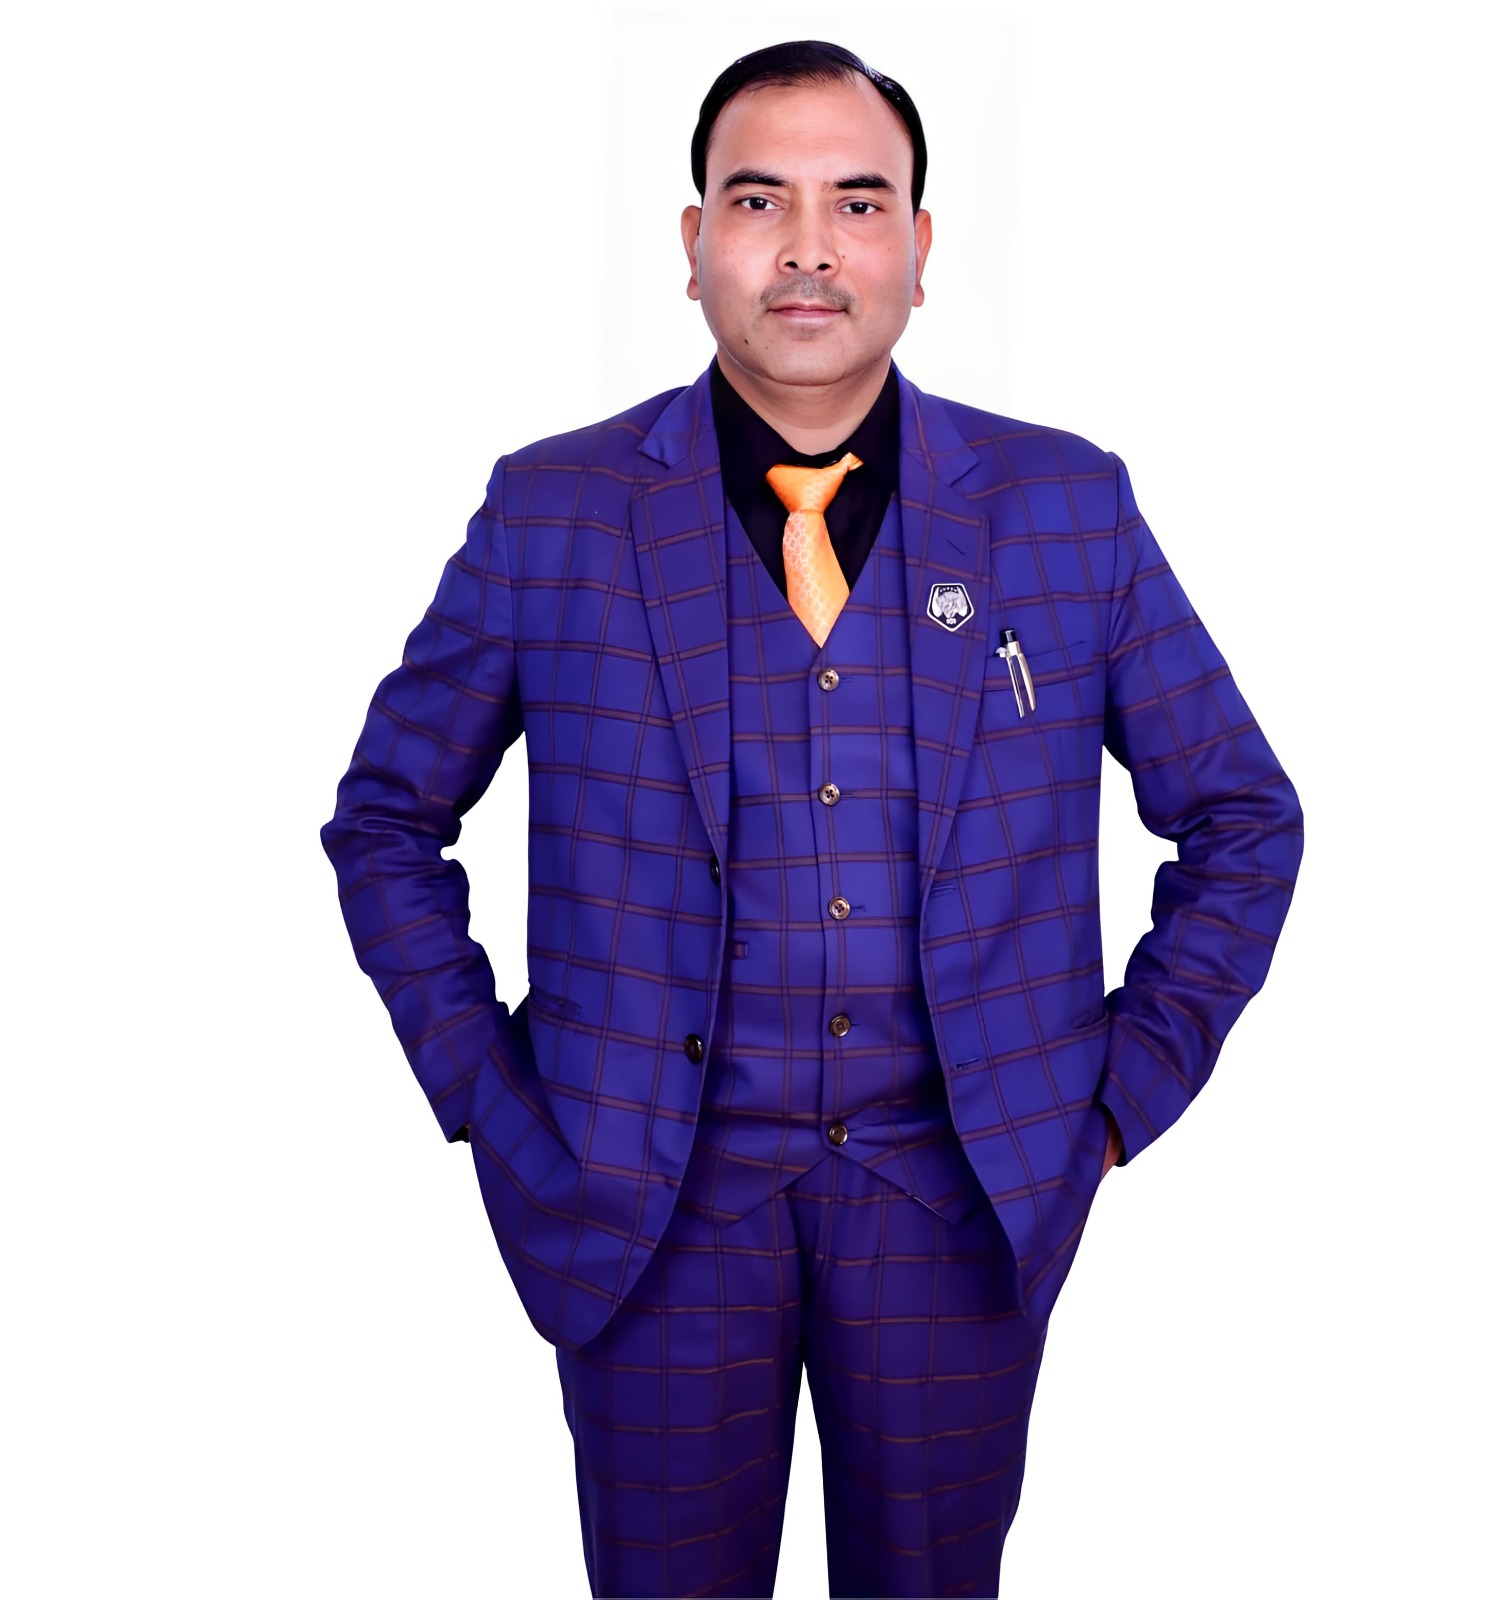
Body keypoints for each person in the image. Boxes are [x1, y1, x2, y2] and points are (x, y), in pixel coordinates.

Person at [320, 38, 1303, 1599]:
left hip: (960, 1202)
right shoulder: (553, 510)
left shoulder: (1066, 509)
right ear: (693, 241)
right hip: (645, 1209)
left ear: (920, 247)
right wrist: (496, 1105)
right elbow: (386, 820)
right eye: (757, 198)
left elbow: (1242, 818)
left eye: (858, 202)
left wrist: (1109, 1105)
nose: (807, 247)